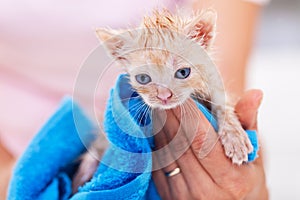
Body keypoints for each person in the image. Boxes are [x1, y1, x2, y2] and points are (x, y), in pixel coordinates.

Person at [0, 0, 269, 198]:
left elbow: (222, 89)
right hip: (16, 158)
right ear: (120, 58)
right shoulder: (126, 110)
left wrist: (228, 130)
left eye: (182, 72)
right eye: (144, 78)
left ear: (204, 39)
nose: (164, 94)